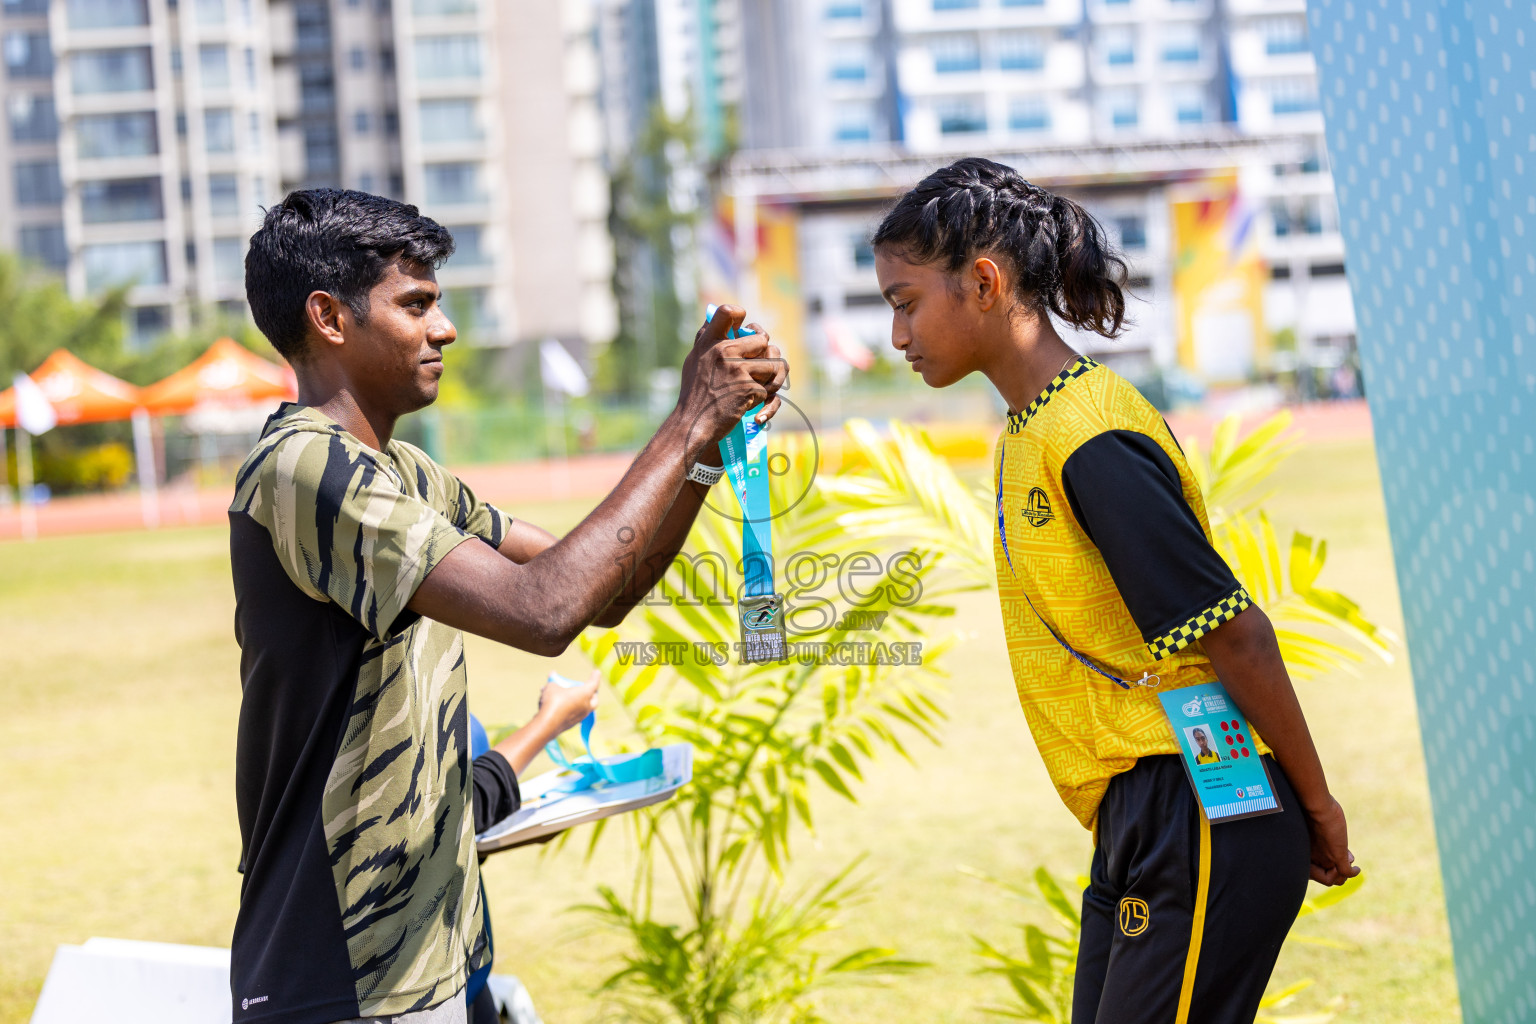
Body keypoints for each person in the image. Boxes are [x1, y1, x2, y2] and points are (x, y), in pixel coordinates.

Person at [229, 188, 785, 1024]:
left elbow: (603, 590)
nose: (444, 329)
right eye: (415, 305)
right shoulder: (308, 468)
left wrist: (705, 448)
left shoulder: (407, 474)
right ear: (329, 317)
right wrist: (685, 420)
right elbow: (543, 612)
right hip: (340, 980)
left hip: (430, 966)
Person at [870, 158, 1358, 1024]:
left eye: (905, 302)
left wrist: (1316, 806)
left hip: (1202, 803)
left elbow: (1234, 632)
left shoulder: (1090, 435)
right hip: (1142, 814)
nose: (897, 335)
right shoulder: (1028, 435)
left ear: (982, 283)